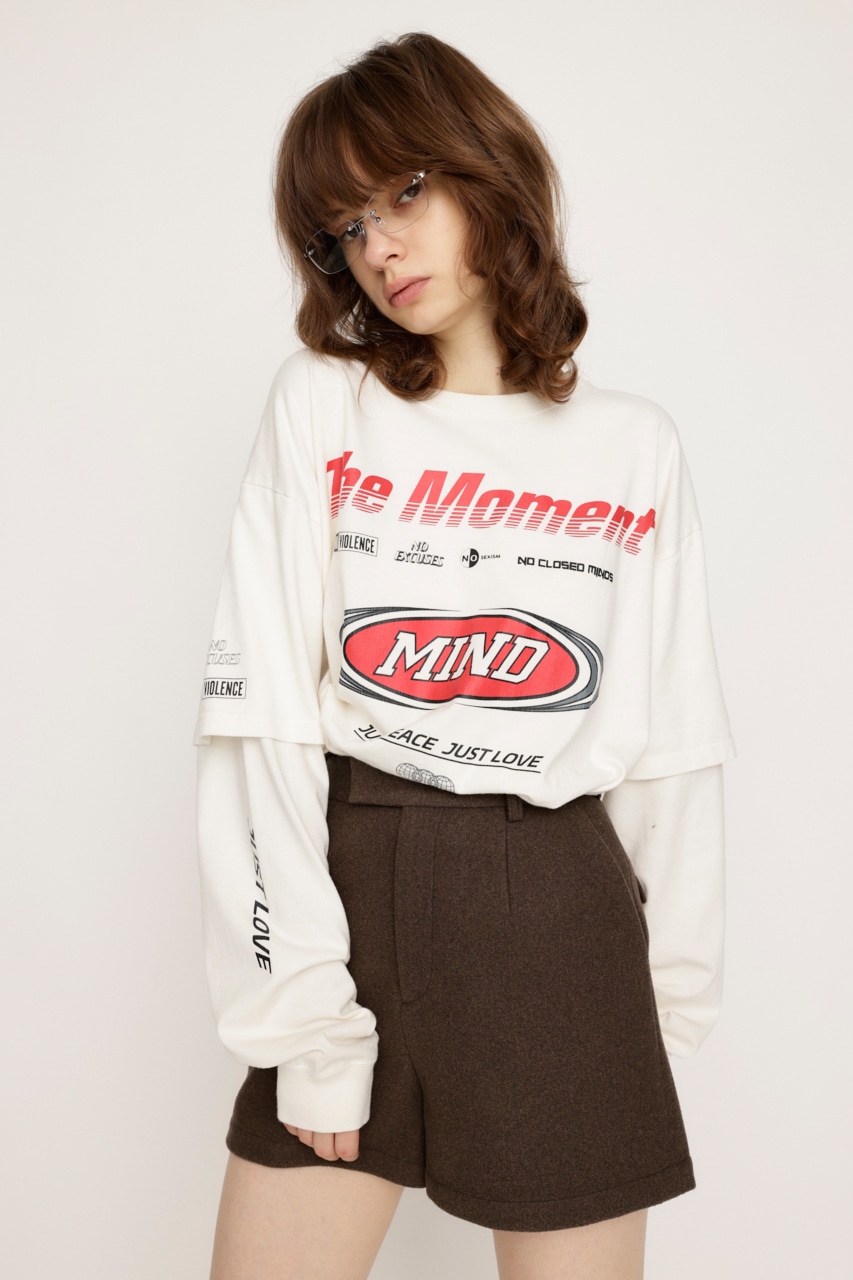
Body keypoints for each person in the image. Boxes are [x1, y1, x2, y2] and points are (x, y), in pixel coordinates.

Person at [194, 32, 735, 1280]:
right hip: (356, 891)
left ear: (485, 169)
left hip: (559, 914)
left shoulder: (632, 445)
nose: (378, 248)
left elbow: (671, 741)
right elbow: (260, 721)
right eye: (343, 230)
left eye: (402, 192)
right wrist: (308, 1026)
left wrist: (663, 1006)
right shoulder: (321, 404)